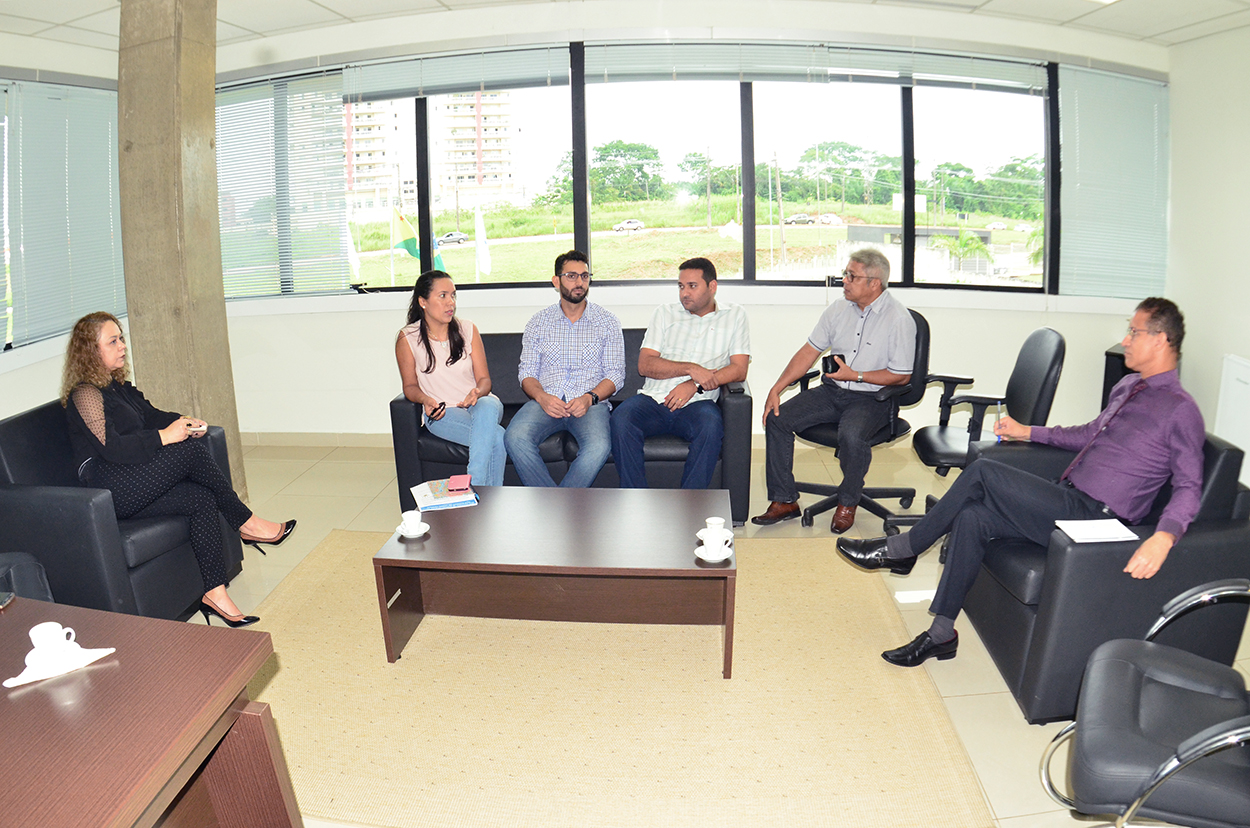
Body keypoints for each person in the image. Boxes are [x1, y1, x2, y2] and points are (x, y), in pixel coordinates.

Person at [837, 297, 1204, 667]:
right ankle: (941, 634)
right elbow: (1087, 434)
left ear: (1160, 340)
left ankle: (904, 548)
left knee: (983, 470)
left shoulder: (1180, 409)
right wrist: (1027, 431)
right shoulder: (1127, 386)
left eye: (1134, 332)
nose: (1125, 340)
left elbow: (1190, 485)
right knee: (973, 517)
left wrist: (1164, 537)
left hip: (1099, 519)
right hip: (1068, 500)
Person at [61, 312, 295, 628]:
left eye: (121, 338)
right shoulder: (85, 393)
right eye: (113, 341)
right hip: (107, 489)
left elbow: (152, 416)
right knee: (187, 451)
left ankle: (215, 594)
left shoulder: (118, 386)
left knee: (200, 498)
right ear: (90, 350)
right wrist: (165, 437)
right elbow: (112, 449)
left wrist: (183, 422)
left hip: (133, 477)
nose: (123, 346)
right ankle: (246, 522)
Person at [751, 248, 916, 533]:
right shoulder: (838, 309)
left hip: (873, 398)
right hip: (832, 391)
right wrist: (777, 388)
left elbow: (901, 375)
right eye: (845, 274)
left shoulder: (899, 319)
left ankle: (848, 502)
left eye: (852, 276)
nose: (845, 281)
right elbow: (809, 351)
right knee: (778, 418)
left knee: (851, 435)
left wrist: (857, 375)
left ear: (874, 283)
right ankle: (784, 500)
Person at [609, 257, 750, 489]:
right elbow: (645, 365)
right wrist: (690, 369)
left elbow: (739, 368)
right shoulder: (665, 313)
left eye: (692, 286)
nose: (684, 293)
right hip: (654, 400)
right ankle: (635, 499)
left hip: (698, 403)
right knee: (621, 418)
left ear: (712, 286)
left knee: (710, 426)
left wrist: (694, 385)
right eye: (681, 286)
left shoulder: (734, 315)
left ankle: (690, 503)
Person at [504, 250, 625, 487]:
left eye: (584, 276)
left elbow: (616, 374)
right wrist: (542, 397)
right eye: (571, 276)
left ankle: (555, 503)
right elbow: (526, 372)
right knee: (514, 437)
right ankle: (558, 502)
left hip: (590, 404)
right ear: (556, 281)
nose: (579, 282)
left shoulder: (607, 322)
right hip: (547, 401)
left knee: (599, 446)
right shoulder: (538, 322)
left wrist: (589, 398)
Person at [396, 270, 505, 487]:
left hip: (480, 405)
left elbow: (485, 380)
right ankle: (488, 499)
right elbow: (409, 386)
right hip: (443, 413)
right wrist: (426, 400)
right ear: (423, 302)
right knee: (497, 437)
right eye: (443, 296)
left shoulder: (467, 329)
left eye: (453, 295)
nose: (451, 303)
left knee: (488, 404)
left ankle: (472, 486)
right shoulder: (408, 337)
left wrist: (477, 392)